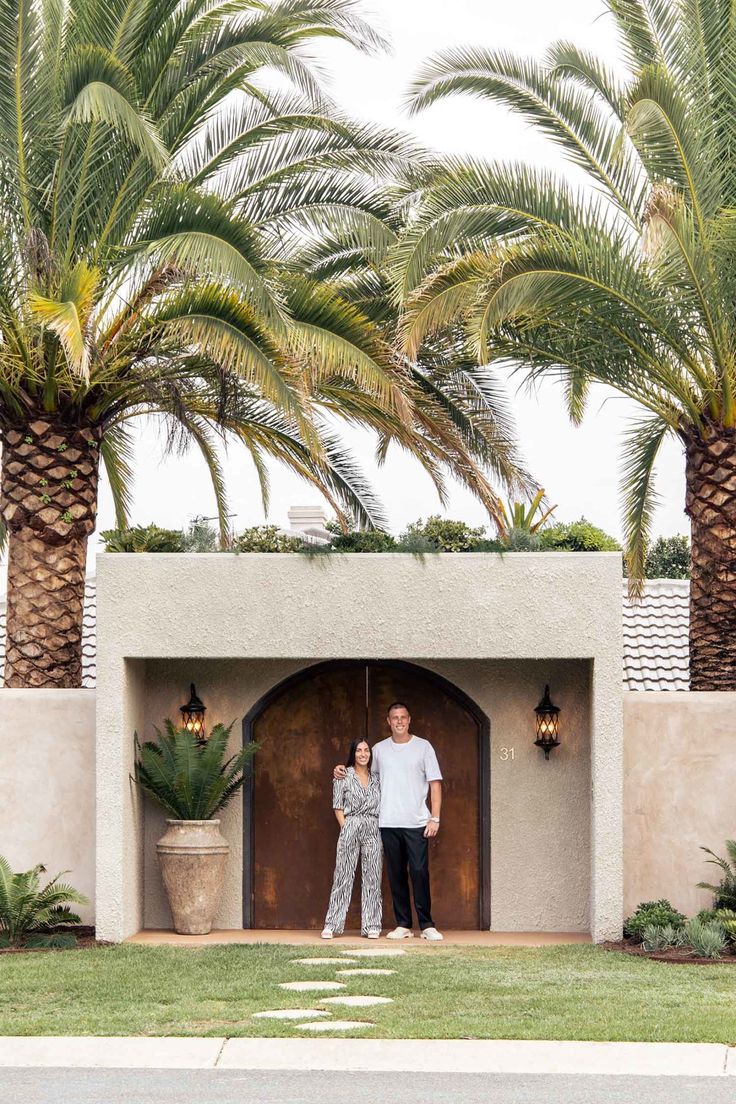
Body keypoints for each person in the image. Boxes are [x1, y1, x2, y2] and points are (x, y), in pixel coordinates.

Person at [334, 702, 444, 941]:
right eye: (395, 717)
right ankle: (403, 924)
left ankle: (427, 925)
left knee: (418, 872)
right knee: (395, 875)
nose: (399, 721)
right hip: (387, 822)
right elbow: (362, 773)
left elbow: (435, 783)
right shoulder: (380, 750)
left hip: (417, 822)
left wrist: (434, 817)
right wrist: (340, 770)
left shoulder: (423, 747)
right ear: (388, 721)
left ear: (409, 719)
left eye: (403, 717)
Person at [322, 738, 382, 939]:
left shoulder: (377, 778)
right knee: (343, 875)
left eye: (366, 750)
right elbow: (337, 805)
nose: (363, 754)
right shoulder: (343, 775)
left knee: (373, 876)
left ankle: (372, 924)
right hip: (351, 824)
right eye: (359, 750)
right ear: (353, 753)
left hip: (373, 826)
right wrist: (345, 826)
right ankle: (332, 923)